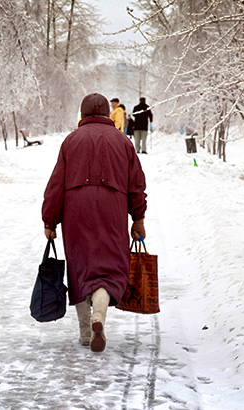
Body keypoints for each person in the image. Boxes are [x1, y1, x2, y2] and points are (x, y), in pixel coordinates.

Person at [42, 93, 147, 353]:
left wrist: (50, 219)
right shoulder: (123, 141)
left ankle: (86, 332)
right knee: (109, 268)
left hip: (76, 211)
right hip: (113, 209)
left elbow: (56, 184)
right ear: (106, 114)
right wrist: (138, 218)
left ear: (83, 113)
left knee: (80, 267)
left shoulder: (71, 141)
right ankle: (99, 315)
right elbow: (136, 184)